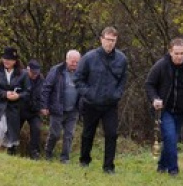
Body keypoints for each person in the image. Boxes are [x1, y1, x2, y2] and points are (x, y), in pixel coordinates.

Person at [145, 37, 183, 176]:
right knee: (170, 137)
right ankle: (173, 169)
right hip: (165, 110)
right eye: (176, 53)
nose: (179, 56)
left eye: (182, 53)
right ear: (170, 52)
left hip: (182, 110)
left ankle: (161, 166)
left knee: (171, 139)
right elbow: (149, 84)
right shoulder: (161, 65)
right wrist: (154, 99)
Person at [74, 26, 128, 174]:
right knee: (88, 133)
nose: (110, 43)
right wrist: (88, 93)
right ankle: (84, 160)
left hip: (110, 104)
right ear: (101, 39)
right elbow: (78, 79)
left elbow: (123, 80)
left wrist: (117, 94)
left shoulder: (122, 59)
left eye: (113, 40)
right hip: (91, 103)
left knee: (111, 134)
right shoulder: (89, 58)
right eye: (108, 40)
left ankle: (109, 166)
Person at [0, 47, 30, 154]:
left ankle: (5, 152)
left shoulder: (23, 74)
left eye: (10, 59)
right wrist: (4, 94)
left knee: (8, 132)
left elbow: (27, 92)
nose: (7, 61)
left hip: (13, 109)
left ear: (15, 61)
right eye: (5, 59)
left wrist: (18, 96)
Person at [40, 50, 81, 163]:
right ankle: (48, 153)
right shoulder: (57, 70)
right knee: (55, 134)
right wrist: (44, 106)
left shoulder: (81, 73)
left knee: (69, 135)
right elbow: (46, 88)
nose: (75, 64)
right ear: (67, 59)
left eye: (77, 62)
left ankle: (64, 158)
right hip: (57, 109)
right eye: (73, 61)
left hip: (73, 110)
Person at [19, 59, 44, 159]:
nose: (35, 75)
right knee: (15, 129)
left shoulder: (41, 79)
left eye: (36, 73)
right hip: (21, 109)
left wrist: (42, 106)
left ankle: (34, 152)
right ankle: (11, 149)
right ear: (28, 69)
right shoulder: (20, 76)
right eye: (33, 73)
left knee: (36, 129)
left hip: (34, 111)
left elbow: (43, 94)